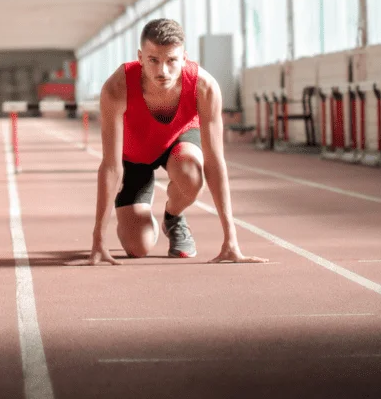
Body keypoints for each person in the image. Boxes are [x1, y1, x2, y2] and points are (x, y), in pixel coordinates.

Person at [71, 19, 268, 266]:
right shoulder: (116, 88)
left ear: (184, 58)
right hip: (135, 156)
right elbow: (110, 166)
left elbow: (215, 162)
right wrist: (97, 239)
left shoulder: (204, 87)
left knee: (191, 173)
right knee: (138, 247)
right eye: (153, 60)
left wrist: (231, 240)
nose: (163, 71)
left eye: (171, 60)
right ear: (140, 57)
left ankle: (172, 217)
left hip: (178, 142)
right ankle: (141, 217)